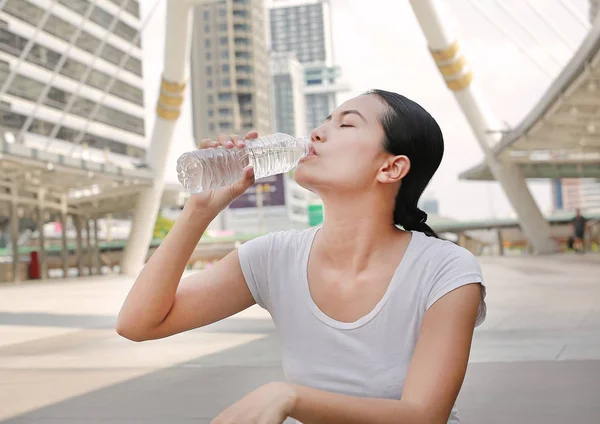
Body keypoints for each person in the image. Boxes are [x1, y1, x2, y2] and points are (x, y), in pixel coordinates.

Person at [117, 89, 487, 424]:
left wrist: (289, 396)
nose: (317, 133)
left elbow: (423, 417)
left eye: (346, 124)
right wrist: (199, 210)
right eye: (324, 121)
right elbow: (138, 324)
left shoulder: (445, 269)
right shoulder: (274, 256)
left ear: (391, 167)